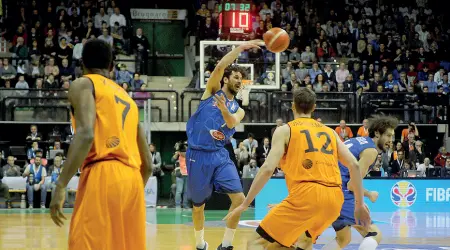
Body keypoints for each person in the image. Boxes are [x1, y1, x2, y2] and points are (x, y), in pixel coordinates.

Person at [224, 88, 371, 250]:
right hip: (334, 200)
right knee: (294, 243)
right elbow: (354, 165)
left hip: (306, 195)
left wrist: (245, 203)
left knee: (256, 242)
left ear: (292, 106)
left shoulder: (285, 130)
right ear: (314, 108)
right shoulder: (330, 132)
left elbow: (267, 169)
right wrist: (359, 204)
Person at [49, 39, 153, 250]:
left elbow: (86, 133)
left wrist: (60, 185)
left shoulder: (84, 83)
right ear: (112, 66)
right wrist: (127, 191)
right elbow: (148, 165)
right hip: (133, 181)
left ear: (82, 65)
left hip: (103, 173)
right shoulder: (129, 99)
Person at [186, 39, 262, 250]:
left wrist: (225, 111)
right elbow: (219, 66)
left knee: (239, 199)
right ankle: (200, 244)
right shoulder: (211, 92)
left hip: (219, 155)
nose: (239, 81)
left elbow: (231, 122)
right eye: (236, 77)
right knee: (197, 207)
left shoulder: (239, 109)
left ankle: (226, 245)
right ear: (226, 79)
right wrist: (240, 48)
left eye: (242, 79)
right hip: (197, 155)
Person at [321, 115, 398, 250]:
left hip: (327, 189)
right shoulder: (370, 151)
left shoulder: (358, 141)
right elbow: (351, 184)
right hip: (340, 193)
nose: (391, 140)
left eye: (392, 136)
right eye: (388, 136)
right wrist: (368, 194)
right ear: (377, 133)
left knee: (343, 239)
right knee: (374, 234)